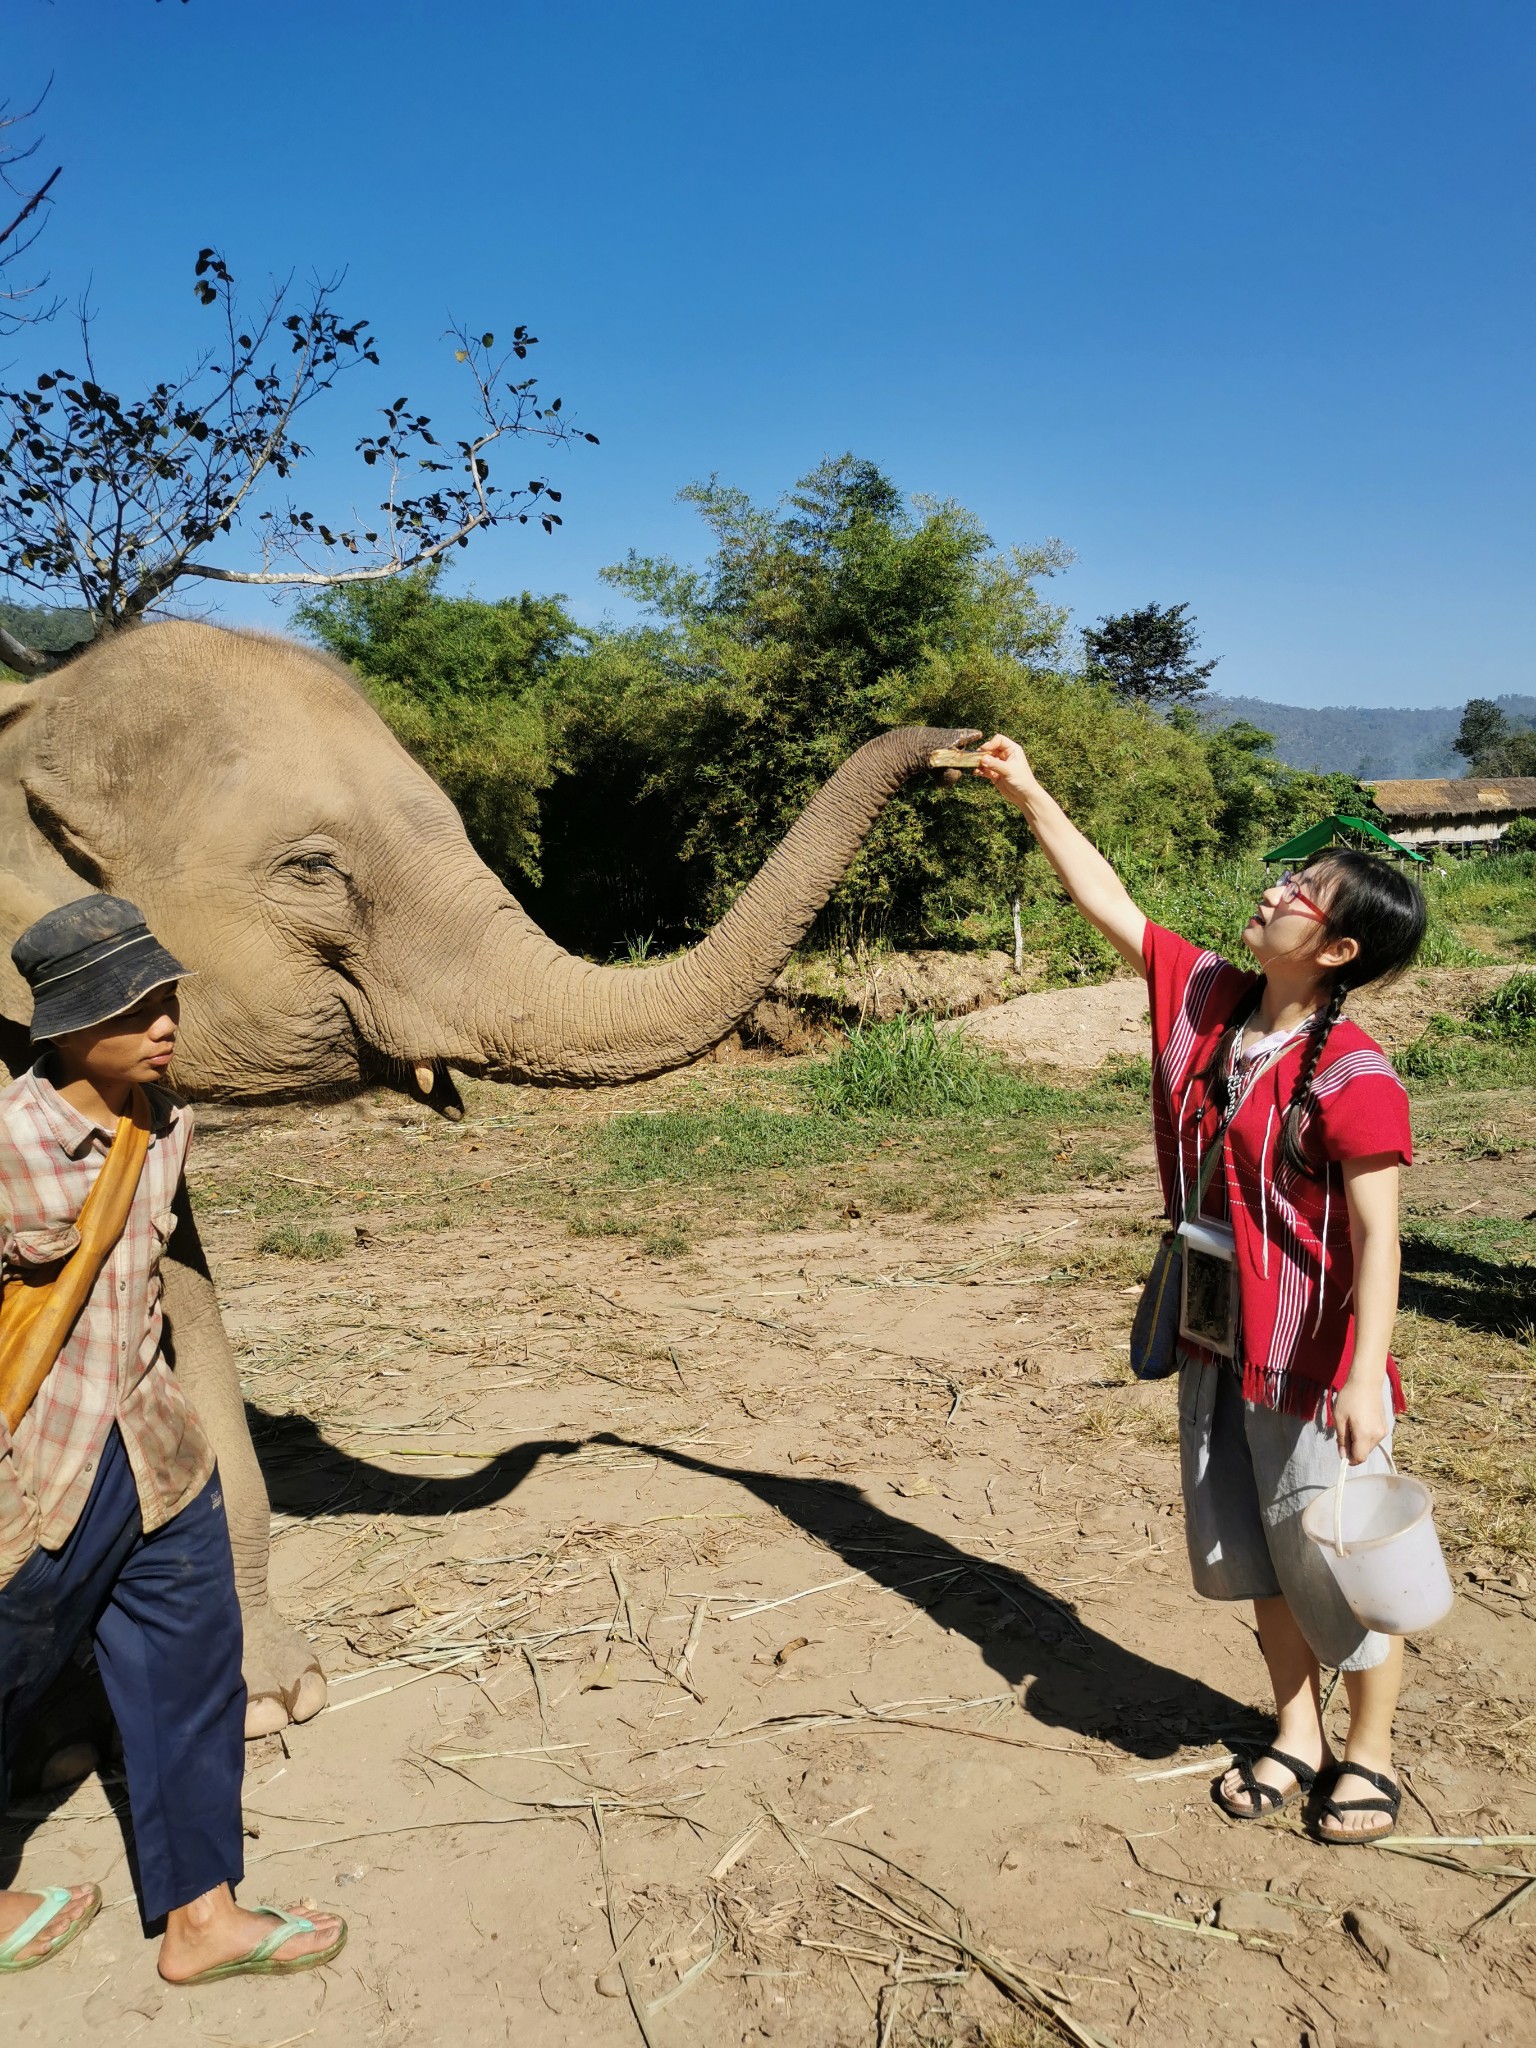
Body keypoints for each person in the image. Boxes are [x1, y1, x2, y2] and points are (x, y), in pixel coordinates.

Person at [975, 737, 1427, 1844]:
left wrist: (1365, 1375)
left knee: (1337, 1557)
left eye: (1302, 893)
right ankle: (1296, 1730)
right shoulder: (1214, 1002)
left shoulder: (1355, 1074)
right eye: (1286, 880)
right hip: (1216, 1335)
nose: (1274, 892)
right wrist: (1033, 791)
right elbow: (1112, 902)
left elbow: (1378, 1241)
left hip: (1314, 1363)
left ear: (1338, 946)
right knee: (1253, 1546)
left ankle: (1369, 1751)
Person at [0, 895, 345, 1978]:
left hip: (153, 1450)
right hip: (35, 1468)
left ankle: (202, 1915)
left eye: (165, 998)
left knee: (196, 1664)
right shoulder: (10, 1142)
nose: (162, 1022)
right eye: (131, 1004)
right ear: (63, 1024)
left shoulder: (164, 1122)